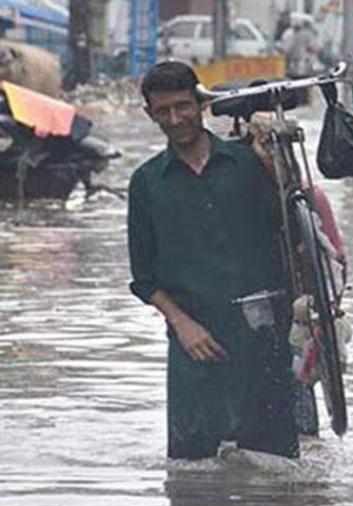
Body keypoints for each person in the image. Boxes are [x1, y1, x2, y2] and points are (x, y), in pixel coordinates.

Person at [127, 61, 299, 460]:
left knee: (276, 470)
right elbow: (144, 278)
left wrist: (274, 167)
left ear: (202, 104)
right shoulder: (147, 182)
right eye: (164, 111)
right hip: (196, 345)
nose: (176, 118)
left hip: (265, 337)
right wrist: (183, 325)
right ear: (149, 114)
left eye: (184, 106)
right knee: (192, 477)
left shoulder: (247, 164)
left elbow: (292, 232)